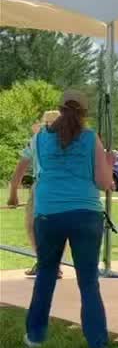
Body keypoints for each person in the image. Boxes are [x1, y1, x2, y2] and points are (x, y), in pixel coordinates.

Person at [24, 89, 114, 348]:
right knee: (88, 282)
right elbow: (104, 182)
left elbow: (39, 170)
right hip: (86, 213)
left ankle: (35, 337)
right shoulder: (90, 138)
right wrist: (109, 164)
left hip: (48, 212)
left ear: (60, 109)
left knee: (46, 276)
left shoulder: (40, 138)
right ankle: (98, 346)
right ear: (84, 114)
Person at [7, 109, 61, 277]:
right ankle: (49, 264)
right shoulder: (69, 140)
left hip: (45, 186)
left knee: (33, 226)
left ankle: (47, 263)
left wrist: (13, 194)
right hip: (61, 187)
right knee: (54, 227)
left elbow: (20, 168)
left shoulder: (37, 139)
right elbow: (20, 168)